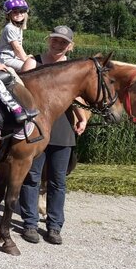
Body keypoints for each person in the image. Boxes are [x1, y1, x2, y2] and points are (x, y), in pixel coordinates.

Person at [19, 25, 88, 245]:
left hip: (62, 129)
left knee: (58, 181)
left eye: (63, 42)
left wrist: (82, 117)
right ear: (49, 40)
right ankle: (29, 223)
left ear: (70, 46)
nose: (58, 45)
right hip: (36, 127)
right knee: (32, 177)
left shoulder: (71, 69)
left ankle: (54, 226)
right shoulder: (33, 62)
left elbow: (76, 97)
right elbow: (19, 91)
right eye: (55, 40)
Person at [0, 0, 37, 72]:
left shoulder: (17, 28)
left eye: (22, 11)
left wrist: (26, 57)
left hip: (14, 57)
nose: (19, 14)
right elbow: (17, 48)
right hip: (6, 58)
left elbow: (19, 46)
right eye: (15, 12)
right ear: (9, 14)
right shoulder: (10, 28)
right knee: (29, 68)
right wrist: (25, 58)